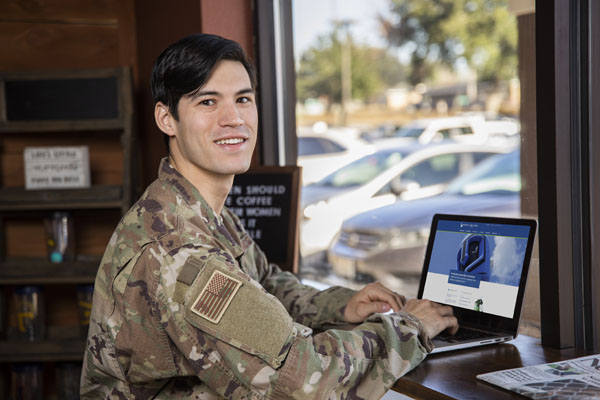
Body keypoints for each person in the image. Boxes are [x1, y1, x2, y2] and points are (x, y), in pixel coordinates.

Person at [80, 33, 458, 399]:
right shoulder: (178, 251)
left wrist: (341, 306)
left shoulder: (193, 207)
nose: (233, 118)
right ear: (167, 118)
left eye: (243, 99)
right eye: (208, 102)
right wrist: (412, 326)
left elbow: (264, 283)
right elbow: (305, 378)